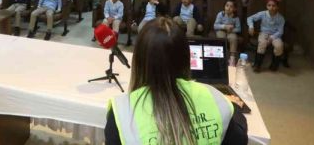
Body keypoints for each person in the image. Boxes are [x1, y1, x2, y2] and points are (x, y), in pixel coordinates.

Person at [105, 17, 248, 145]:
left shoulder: (122, 113)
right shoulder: (216, 98)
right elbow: (239, 139)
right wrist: (232, 106)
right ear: (186, 58)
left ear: (139, 61)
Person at [247, 0, 286, 72]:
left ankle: (274, 65)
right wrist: (251, 26)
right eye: (269, 5)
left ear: (277, 7)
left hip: (275, 35)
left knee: (279, 46)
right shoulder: (263, 14)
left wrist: (272, 38)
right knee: (262, 43)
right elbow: (250, 18)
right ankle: (257, 64)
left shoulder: (280, 18)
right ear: (266, 6)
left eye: (273, 6)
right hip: (264, 33)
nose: (271, 7)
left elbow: (280, 31)